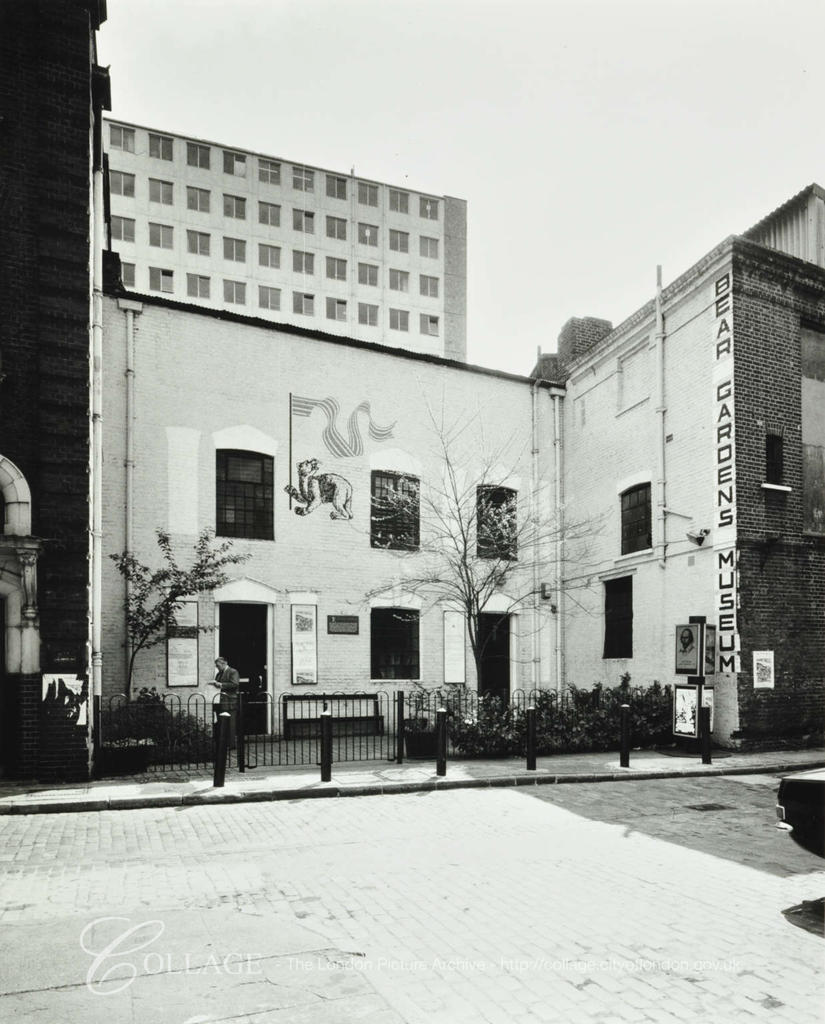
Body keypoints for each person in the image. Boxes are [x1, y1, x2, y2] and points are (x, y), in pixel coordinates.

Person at [212, 656, 240, 746]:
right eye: (216, 666)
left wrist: (221, 685)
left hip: (230, 701)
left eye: (218, 665)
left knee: (231, 724)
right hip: (220, 701)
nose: (217, 667)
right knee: (222, 723)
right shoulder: (219, 674)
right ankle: (223, 744)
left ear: (224, 663)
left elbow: (235, 684)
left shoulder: (233, 672)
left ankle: (231, 744)